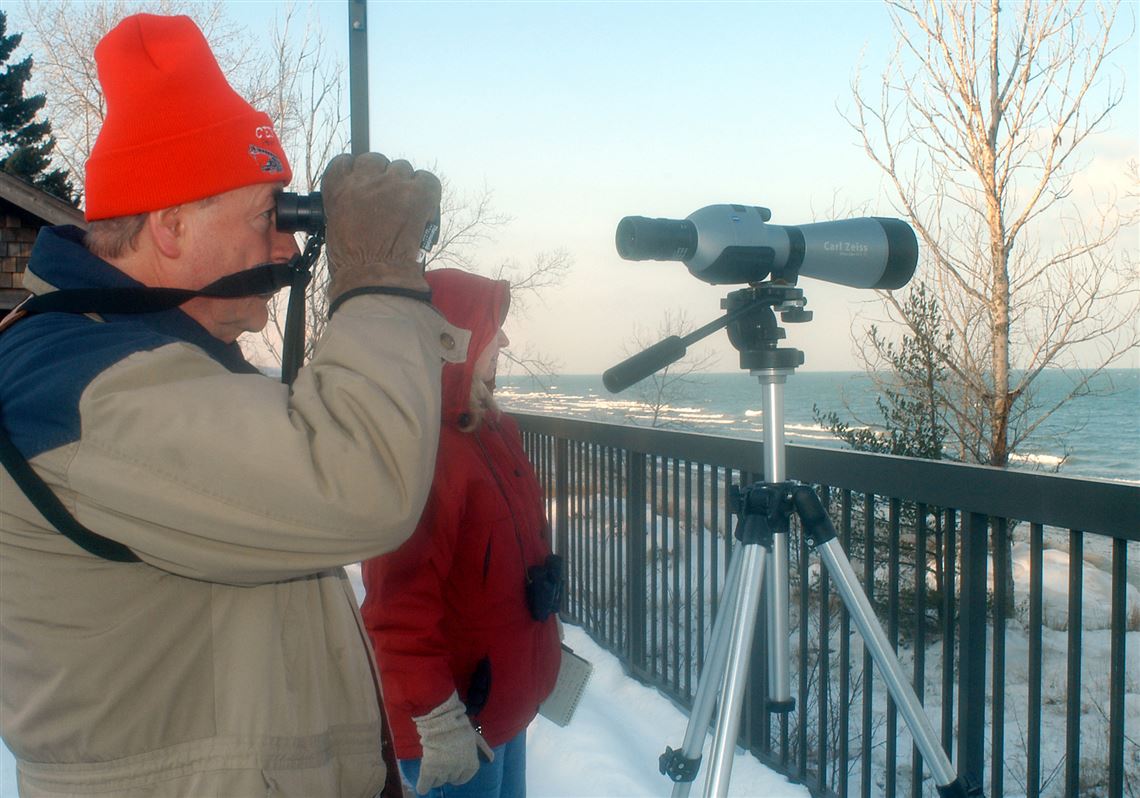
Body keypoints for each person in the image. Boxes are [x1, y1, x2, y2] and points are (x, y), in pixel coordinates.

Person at [0, 14, 466, 798]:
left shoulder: (148, 361)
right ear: (171, 225)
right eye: (268, 218)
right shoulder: (85, 387)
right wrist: (377, 279)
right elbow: (359, 485)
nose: (288, 248)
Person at [361, 269, 562, 798]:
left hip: (502, 712)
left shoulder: (489, 430)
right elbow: (396, 610)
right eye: (494, 326)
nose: (506, 341)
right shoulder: (424, 451)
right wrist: (435, 720)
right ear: (454, 336)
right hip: (456, 727)